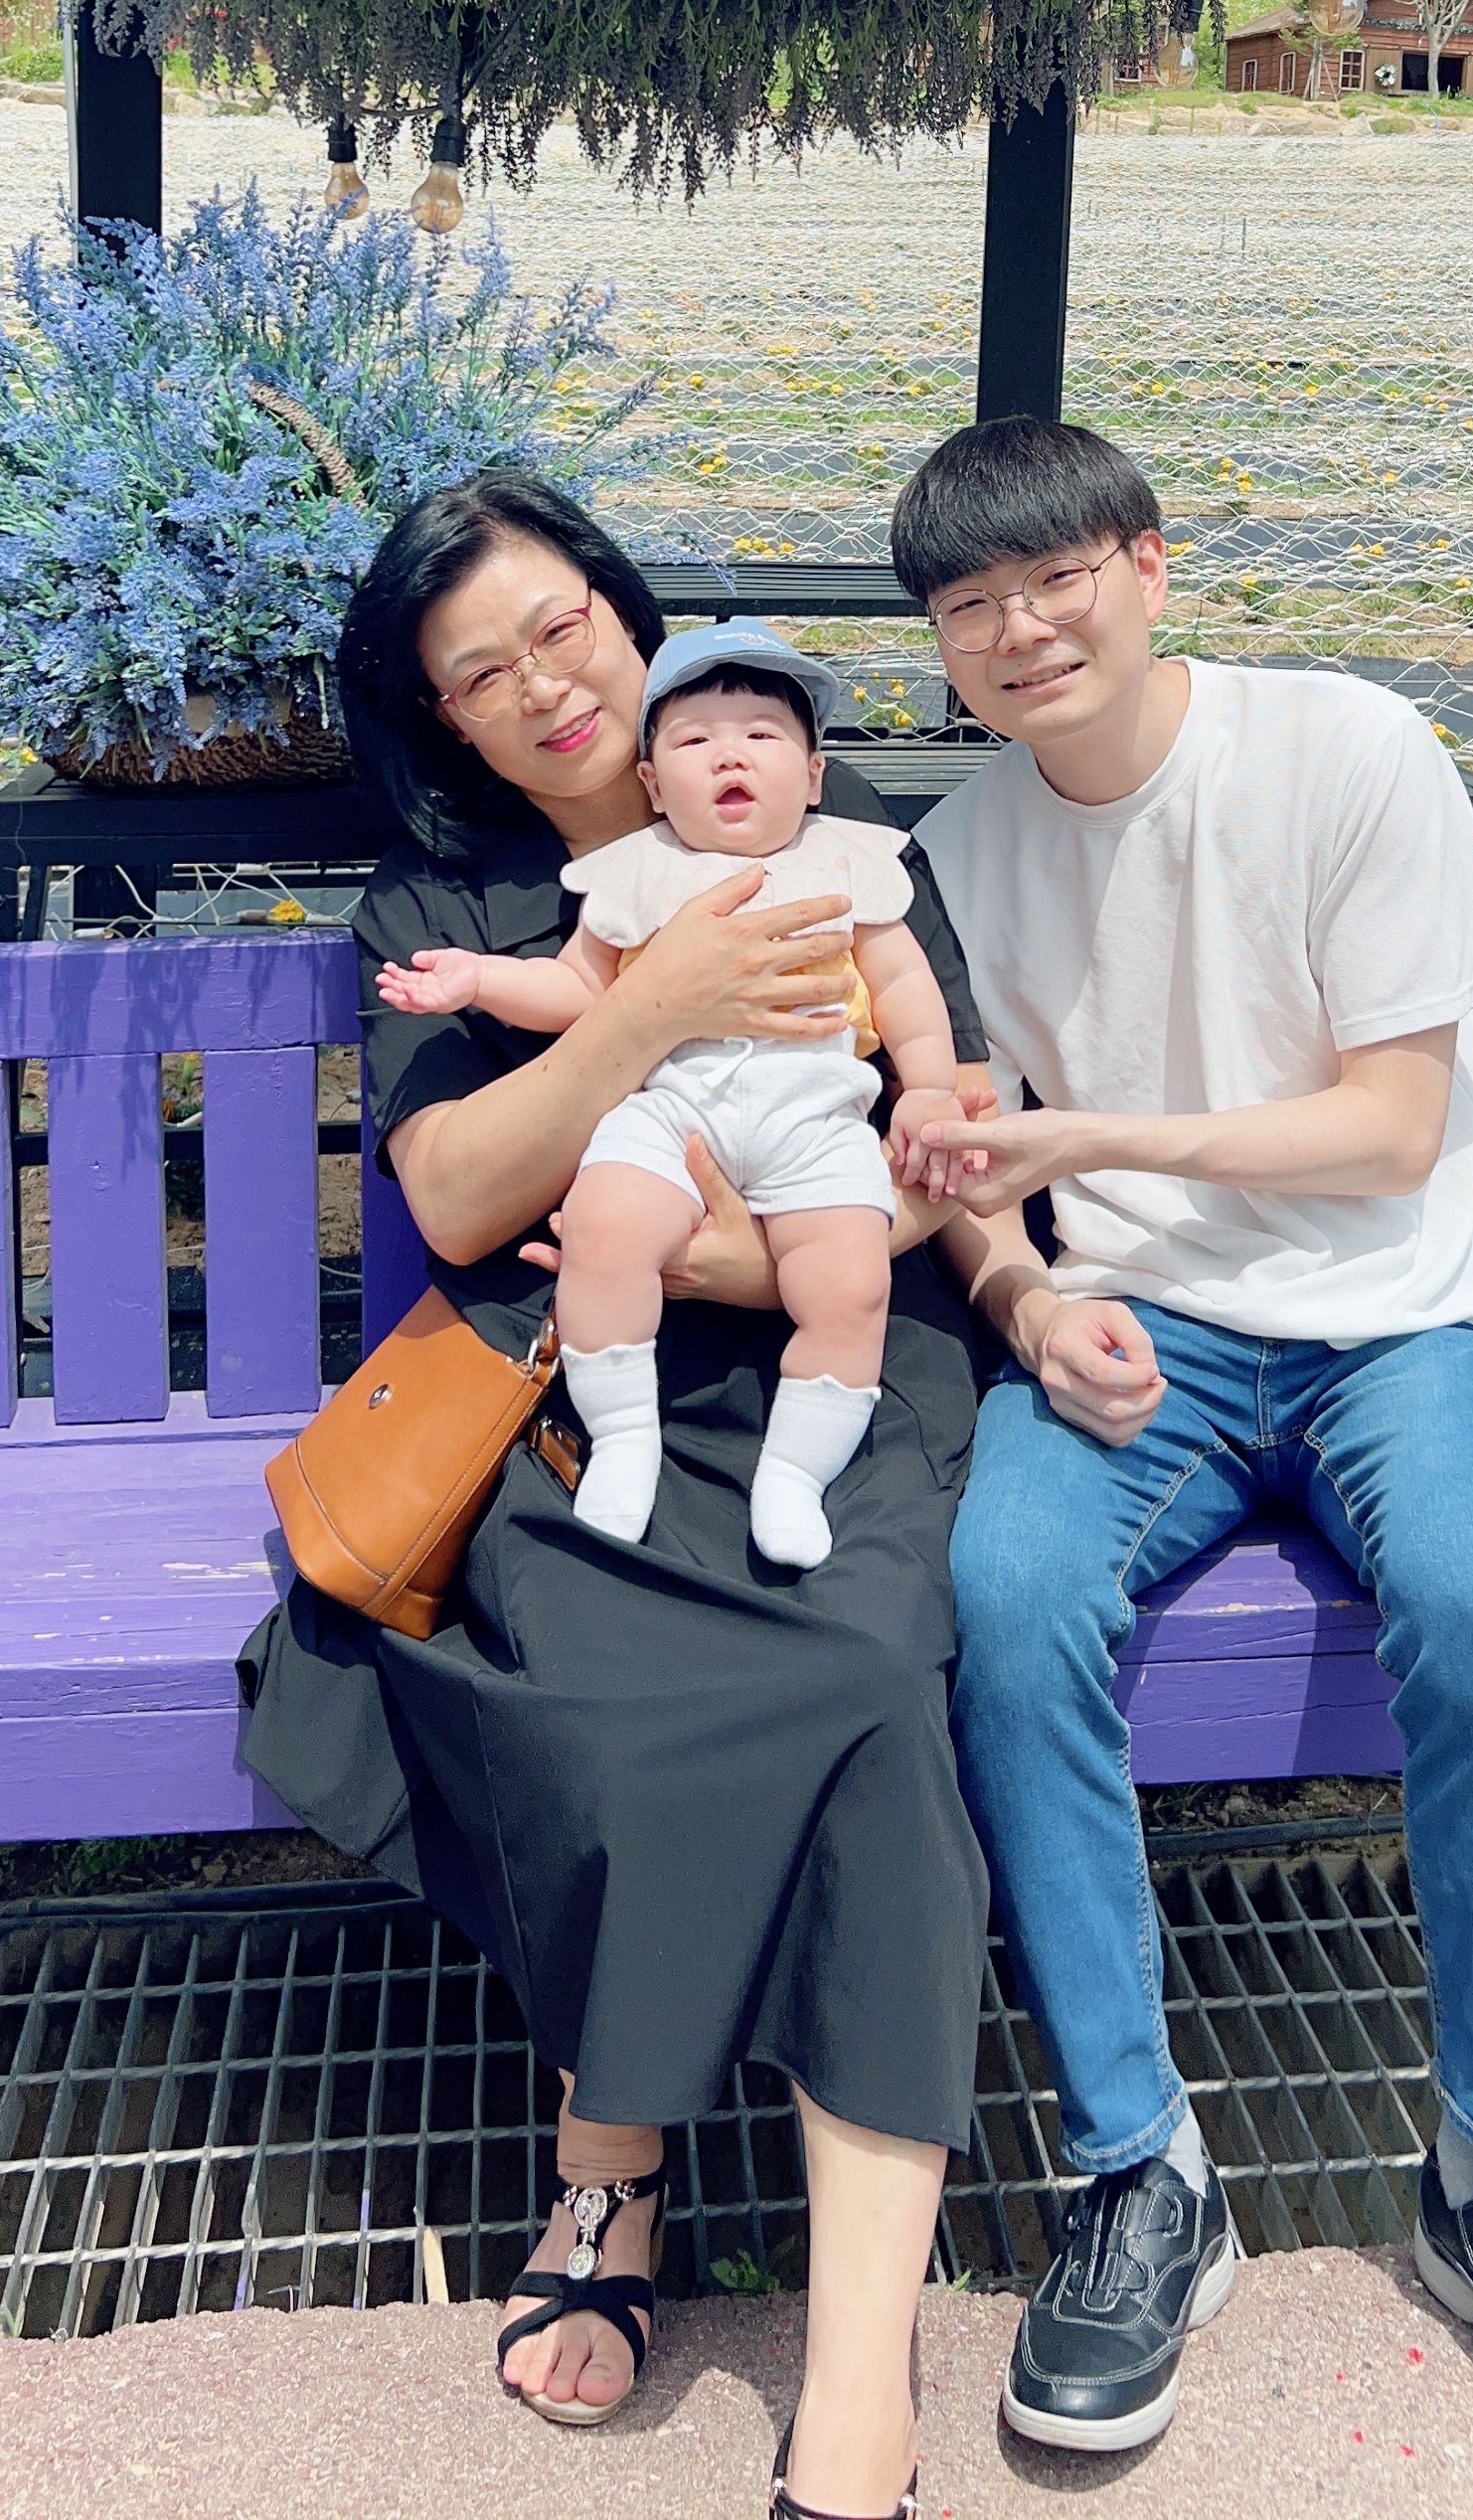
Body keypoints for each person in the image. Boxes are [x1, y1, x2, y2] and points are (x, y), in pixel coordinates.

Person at [887, 415, 1473, 2498]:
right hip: (1136, 1333)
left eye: (1055, 578)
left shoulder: (1347, 752)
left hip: (1400, 1316)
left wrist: (1091, 1140)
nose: (1019, 629)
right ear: (942, 648)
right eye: (970, 606)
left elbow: (1393, 1127)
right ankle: (1139, 2171)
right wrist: (1020, 1295)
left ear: (1150, 565)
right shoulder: (954, 855)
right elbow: (960, 1168)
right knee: (1004, 1598)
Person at [237, 471, 1008, 2520]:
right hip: (571, 1385)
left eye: (559, 625)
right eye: (481, 674)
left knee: (870, 1689)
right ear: (446, 725)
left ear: (623, 610)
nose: (545, 684)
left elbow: (931, 1149)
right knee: (592, 1689)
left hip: (834, 1364)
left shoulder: (832, 835)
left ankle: (861, 2371)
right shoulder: (451, 904)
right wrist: (646, 1013)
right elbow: (454, 1195)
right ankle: (611, 2166)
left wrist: (740, 1249)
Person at [376, 620, 962, 1564]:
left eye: (762, 735)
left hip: (816, 1115)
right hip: (673, 1108)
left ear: (814, 774)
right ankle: (622, 1435)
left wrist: (928, 1090)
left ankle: (797, 1471)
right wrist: (478, 979)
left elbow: (905, 993)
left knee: (851, 1285)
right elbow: (577, 990)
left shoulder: (849, 862)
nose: (731, 754)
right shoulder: (638, 870)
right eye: (695, 740)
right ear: (652, 783)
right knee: (604, 1227)